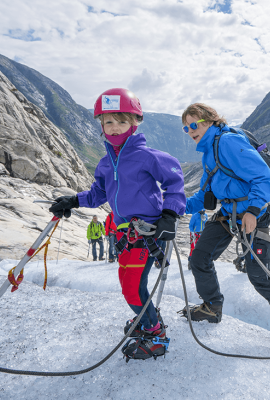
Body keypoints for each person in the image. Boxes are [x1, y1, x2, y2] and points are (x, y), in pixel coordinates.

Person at [49, 88, 185, 361]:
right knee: (129, 284)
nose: (114, 128)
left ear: (134, 123)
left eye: (121, 121)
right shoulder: (104, 163)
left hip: (147, 232)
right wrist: (73, 200)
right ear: (100, 124)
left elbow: (174, 182)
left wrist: (170, 215)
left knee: (133, 287)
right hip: (124, 234)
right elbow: (99, 193)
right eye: (108, 121)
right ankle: (147, 320)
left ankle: (155, 335)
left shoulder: (148, 156)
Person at [180, 103, 270, 350]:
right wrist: (173, 206)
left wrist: (254, 210)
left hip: (252, 215)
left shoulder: (227, 143)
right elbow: (203, 196)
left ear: (211, 120)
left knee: (258, 272)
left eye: (194, 124)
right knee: (200, 257)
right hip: (228, 214)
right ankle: (212, 307)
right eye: (186, 128)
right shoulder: (209, 153)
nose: (190, 130)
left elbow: (263, 177)